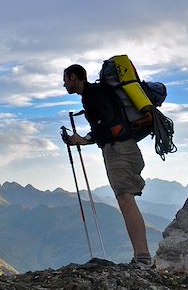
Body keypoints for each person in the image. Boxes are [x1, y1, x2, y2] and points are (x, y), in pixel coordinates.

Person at [62, 64, 152, 267]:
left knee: (125, 198)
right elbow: (106, 123)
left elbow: (111, 124)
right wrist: (86, 138)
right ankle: (141, 256)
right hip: (118, 148)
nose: (64, 84)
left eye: (66, 79)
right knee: (124, 198)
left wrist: (85, 139)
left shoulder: (95, 93)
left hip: (120, 148)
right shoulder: (92, 94)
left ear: (74, 77)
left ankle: (144, 258)